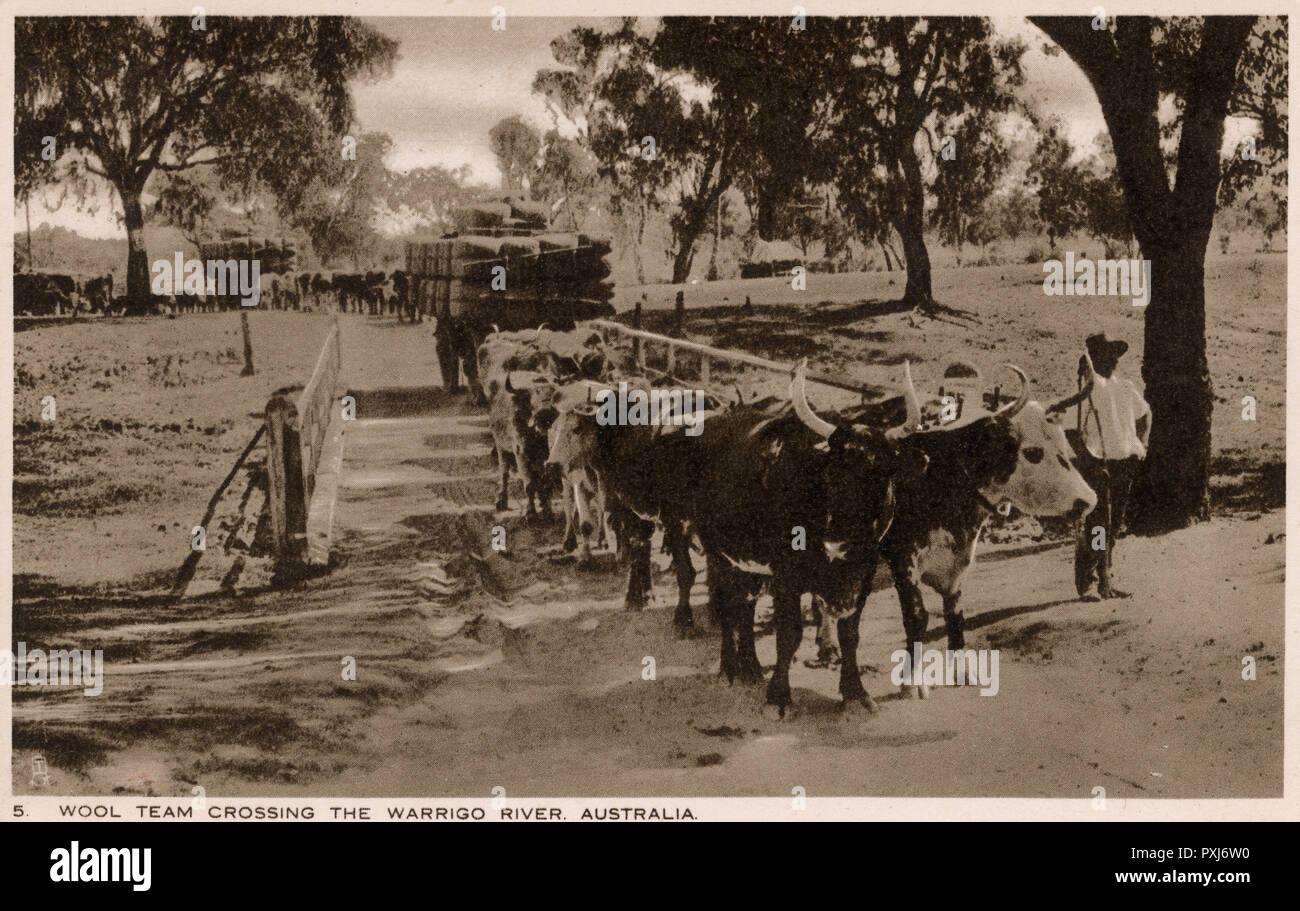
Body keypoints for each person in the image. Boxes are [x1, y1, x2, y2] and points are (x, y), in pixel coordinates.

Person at [1047, 333, 1151, 600]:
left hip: (1123, 463)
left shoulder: (1125, 388)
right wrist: (1089, 462)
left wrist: (1140, 444)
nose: (1114, 360)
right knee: (1097, 525)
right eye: (1107, 355)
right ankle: (1088, 581)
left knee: (1114, 525)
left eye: (1115, 355)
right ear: (1094, 360)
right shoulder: (1086, 391)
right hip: (1097, 466)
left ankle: (1107, 578)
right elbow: (1070, 430)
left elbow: (1144, 415)